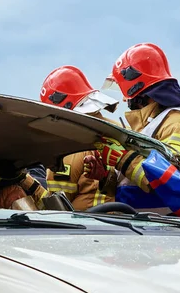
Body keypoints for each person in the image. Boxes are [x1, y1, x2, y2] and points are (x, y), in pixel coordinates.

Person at [89, 43, 180, 215]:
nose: (124, 100)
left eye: (125, 92)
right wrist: (105, 176)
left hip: (174, 232)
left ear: (137, 88)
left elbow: (177, 183)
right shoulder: (150, 126)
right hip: (144, 230)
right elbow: (133, 184)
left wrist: (124, 159)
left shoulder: (177, 124)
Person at [40, 65, 120, 210]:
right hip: (125, 224)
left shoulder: (69, 145)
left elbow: (58, 204)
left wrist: (27, 184)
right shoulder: (117, 130)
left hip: (84, 226)